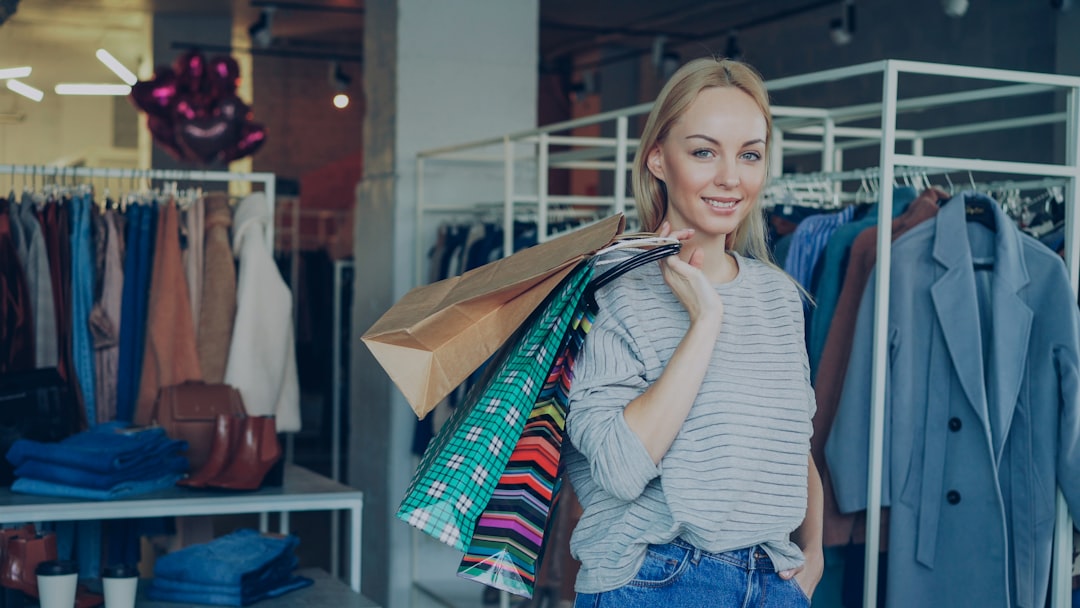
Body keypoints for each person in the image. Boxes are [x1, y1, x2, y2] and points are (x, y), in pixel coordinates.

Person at [563, 56, 824, 607]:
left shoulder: (778, 295)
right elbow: (619, 467)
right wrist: (704, 322)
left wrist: (814, 551)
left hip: (774, 581)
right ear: (658, 158)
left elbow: (791, 443)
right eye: (704, 151)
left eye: (749, 154)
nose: (730, 177)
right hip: (658, 580)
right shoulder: (609, 290)